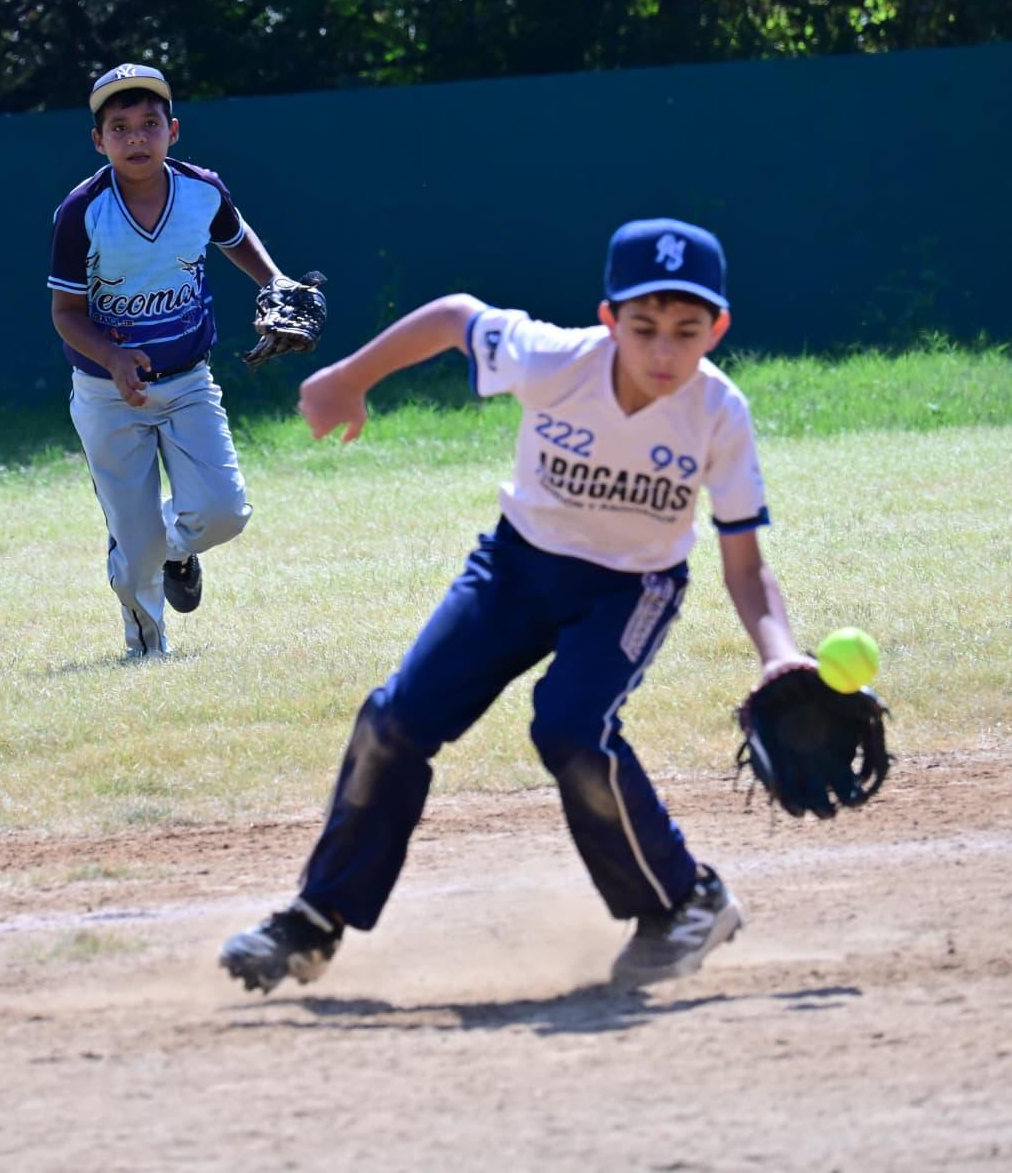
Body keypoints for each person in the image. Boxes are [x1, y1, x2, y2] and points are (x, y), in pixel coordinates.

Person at [221, 218, 813, 992]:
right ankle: (315, 920)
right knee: (396, 719)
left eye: (686, 329)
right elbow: (451, 318)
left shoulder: (717, 413)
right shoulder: (555, 361)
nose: (664, 351)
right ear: (608, 319)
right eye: (643, 327)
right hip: (516, 565)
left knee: (571, 724)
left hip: (632, 588)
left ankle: (685, 901)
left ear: (719, 328)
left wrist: (781, 654)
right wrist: (351, 376)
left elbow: (745, 565)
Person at [48, 62, 314, 657]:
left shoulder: (201, 191)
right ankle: (146, 649)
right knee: (133, 546)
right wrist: (113, 358)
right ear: (98, 141)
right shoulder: (82, 211)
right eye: (120, 127)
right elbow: (65, 313)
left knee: (223, 512)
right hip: (106, 392)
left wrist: (275, 282)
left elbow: (236, 237)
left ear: (173, 129)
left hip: (190, 379)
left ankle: (168, 546)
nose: (136, 137)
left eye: (149, 123)